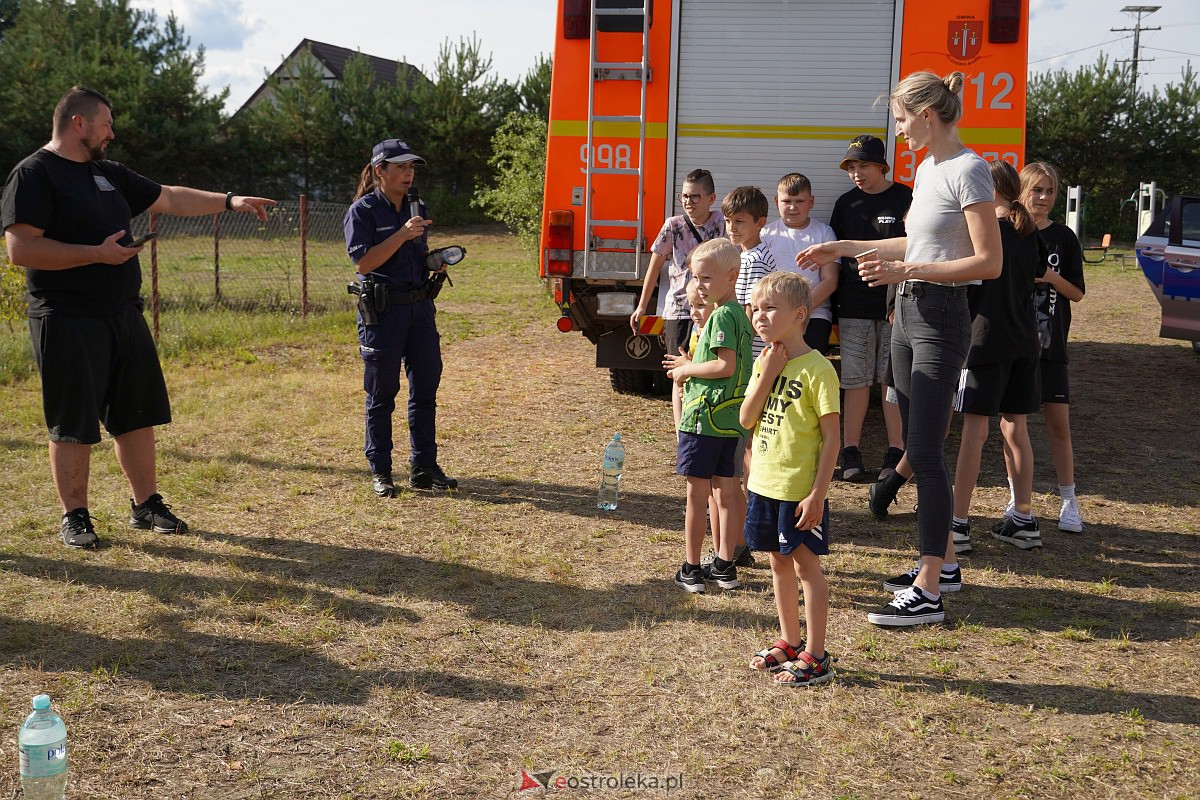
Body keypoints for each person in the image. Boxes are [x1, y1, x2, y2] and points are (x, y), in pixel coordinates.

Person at [1, 86, 276, 549]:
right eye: (106, 123)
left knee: (136, 414)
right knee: (73, 422)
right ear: (78, 124)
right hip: (66, 317)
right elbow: (21, 249)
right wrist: (97, 255)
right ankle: (76, 516)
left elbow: (167, 197)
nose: (112, 132)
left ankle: (145, 504)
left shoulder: (107, 173)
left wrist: (229, 201)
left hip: (122, 313)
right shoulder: (34, 174)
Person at [798, 71, 1001, 627]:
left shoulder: (970, 169)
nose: (899, 130)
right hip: (907, 312)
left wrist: (905, 268)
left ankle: (929, 591)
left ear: (928, 116)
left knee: (927, 454)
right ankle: (947, 566)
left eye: (902, 119)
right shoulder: (930, 168)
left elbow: (989, 262)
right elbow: (913, 241)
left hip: (940, 314)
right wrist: (839, 246)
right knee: (918, 440)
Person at [940, 160, 1047, 568]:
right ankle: (1023, 517)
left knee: (974, 432)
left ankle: (959, 524)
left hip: (984, 341)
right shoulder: (1029, 231)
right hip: (1024, 341)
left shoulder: (987, 230)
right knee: (1015, 429)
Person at [740, 272, 840, 686]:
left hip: (800, 492)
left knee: (805, 567)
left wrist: (818, 493)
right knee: (777, 563)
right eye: (755, 308)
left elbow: (833, 437)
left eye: (769, 308)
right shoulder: (764, 361)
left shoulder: (818, 370)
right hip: (765, 485)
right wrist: (765, 375)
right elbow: (746, 419)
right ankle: (789, 641)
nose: (759, 316)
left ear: (799, 315)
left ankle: (816, 655)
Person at [344, 138, 457, 498]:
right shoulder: (362, 212)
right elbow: (364, 263)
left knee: (425, 388)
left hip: (420, 309)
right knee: (382, 394)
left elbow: (412, 255)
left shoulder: (416, 205)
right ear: (380, 171)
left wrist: (433, 262)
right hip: (383, 313)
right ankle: (381, 470)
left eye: (411, 168)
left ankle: (424, 467)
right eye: (401, 167)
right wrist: (403, 234)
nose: (408, 174)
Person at [663, 239, 753, 593]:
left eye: (705, 279)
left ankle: (691, 567)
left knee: (696, 496)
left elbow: (724, 364)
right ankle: (724, 565)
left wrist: (686, 371)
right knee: (727, 493)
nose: (698, 286)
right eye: (695, 278)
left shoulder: (720, 315)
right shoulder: (741, 315)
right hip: (731, 421)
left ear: (732, 277)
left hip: (705, 420)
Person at [827, 136, 910, 482]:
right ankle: (851, 453)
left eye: (863, 166)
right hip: (854, 306)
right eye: (851, 168)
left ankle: (896, 452)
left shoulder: (906, 198)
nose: (857, 173)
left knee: (891, 382)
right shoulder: (846, 204)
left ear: (882, 166)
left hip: (896, 306)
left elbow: (916, 249)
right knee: (856, 381)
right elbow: (834, 257)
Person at [1018, 162, 1086, 533]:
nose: (1043, 198)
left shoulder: (1064, 238)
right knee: (1015, 428)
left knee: (1059, 425)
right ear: (1021, 191)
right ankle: (1019, 500)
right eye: (1036, 190)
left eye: (1049, 192)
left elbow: (1077, 293)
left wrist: (1050, 276)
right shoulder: (1009, 232)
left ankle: (1069, 501)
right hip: (1015, 346)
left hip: (1052, 346)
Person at [631, 169, 725, 430]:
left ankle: (704, 424)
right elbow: (655, 265)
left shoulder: (720, 222)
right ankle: (682, 430)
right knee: (679, 372)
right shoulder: (673, 225)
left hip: (710, 307)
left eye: (695, 196)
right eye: (685, 196)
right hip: (679, 310)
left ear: (711, 198)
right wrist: (642, 305)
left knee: (705, 366)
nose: (688, 202)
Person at [761, 173, 839, 355]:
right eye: (786, 201)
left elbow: (830, 281)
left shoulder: (824, 233)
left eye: (800, 201)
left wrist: (798, 311)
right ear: (776, 201)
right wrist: (782, 313)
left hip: (815, 316)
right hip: (774, 317)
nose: (793, 207)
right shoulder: (765, 234)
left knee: (807, 371)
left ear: (811, 201)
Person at [727, 186, 778, 359]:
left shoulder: (756, 259)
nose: (732, 228)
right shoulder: (748, 255)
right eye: (728, 221)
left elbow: (753, 307)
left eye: (739, 221)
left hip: (751, 351)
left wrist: (740, 347)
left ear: (760, 223)